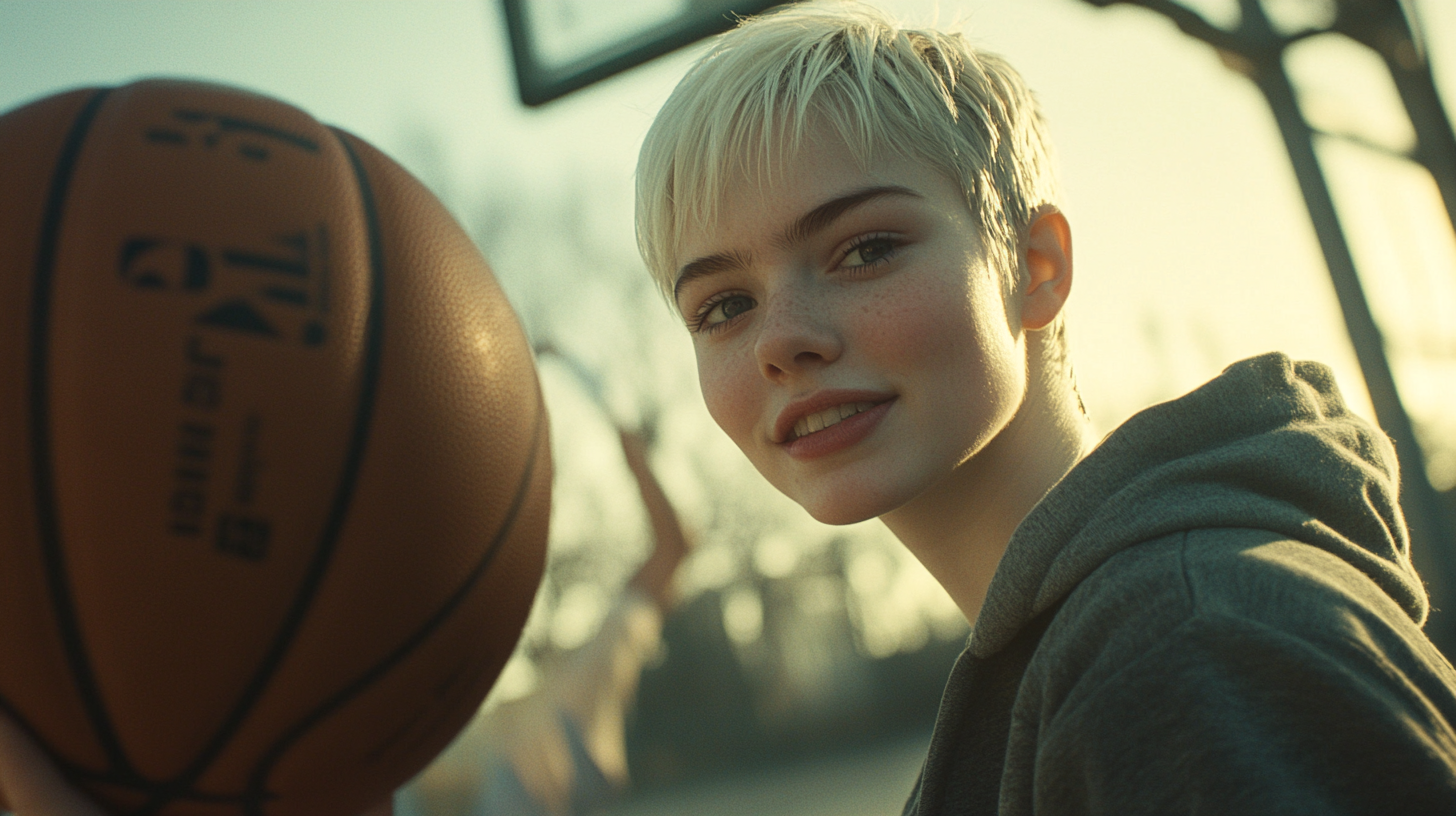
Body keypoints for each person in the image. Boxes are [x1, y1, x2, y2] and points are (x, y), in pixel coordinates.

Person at [633, 1, 1456, 813]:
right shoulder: (1086, 654)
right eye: (722, 306)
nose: (780, 340)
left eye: (864, 250)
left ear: (1036, 265)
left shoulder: (1175, 650)